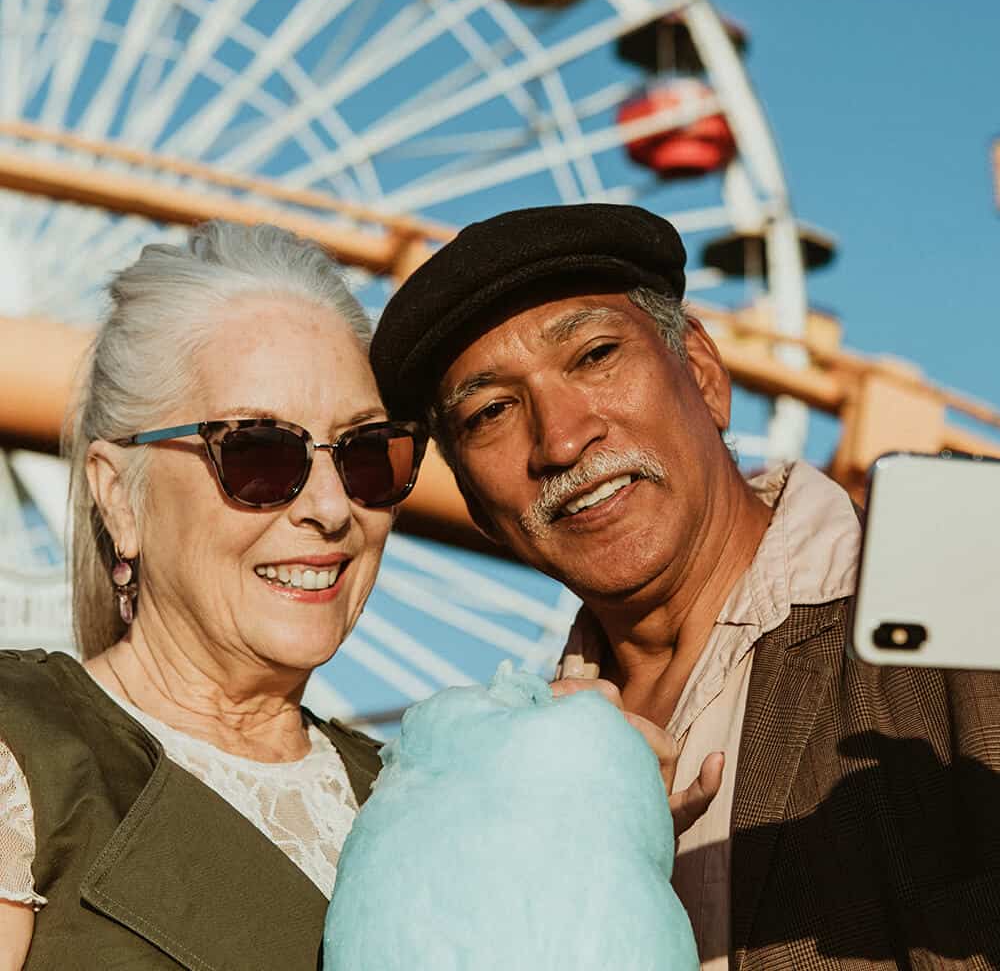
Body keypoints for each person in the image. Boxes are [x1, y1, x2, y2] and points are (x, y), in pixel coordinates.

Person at [370, 204, 1000, 970]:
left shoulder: (959, 607)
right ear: (475, 504)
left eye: (596, 356)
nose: (562, 439)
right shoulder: (491, 783)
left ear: (702, 375)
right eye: (492, 411)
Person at [0, 221, 429, 970]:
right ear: (118, 499)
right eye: (260, 452)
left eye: (367, 455)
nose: (330, 507)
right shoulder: (22, 753)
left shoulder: (422, 801)